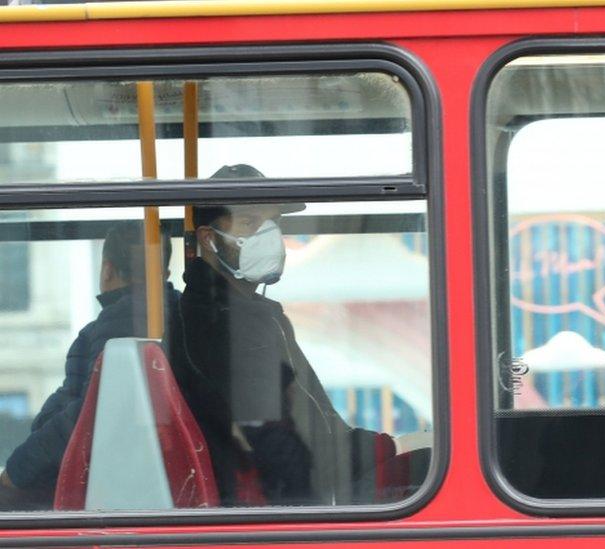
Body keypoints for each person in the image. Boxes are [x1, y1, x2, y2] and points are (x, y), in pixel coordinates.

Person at [165, 164, 398, 507]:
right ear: (208, 239)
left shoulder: (252, 312)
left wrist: (383, 448)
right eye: (249, 222)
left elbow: (315, 420)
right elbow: (277, 443)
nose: (268, 235)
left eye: (274, 222)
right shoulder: (221, 323)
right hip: (272, 508)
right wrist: (387, 453)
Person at [0, 221, 178, 509]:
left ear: (106, 270)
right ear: (165, 275)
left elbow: (87, 413)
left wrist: (17, 470)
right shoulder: (176, 317)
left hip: (114, 479)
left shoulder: (119, 324)